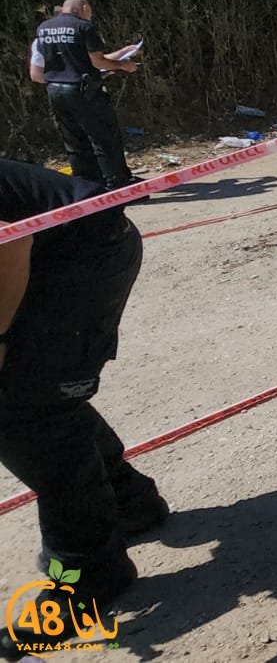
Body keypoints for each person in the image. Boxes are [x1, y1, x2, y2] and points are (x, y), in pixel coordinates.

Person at [0, 158, 169, 658]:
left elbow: (9, 241)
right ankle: (128, 502)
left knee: (25, 408)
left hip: (85, 252)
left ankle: (90, 575)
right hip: (58, 250)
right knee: (44, 394)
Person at [34, 0, 141, 192]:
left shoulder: (44, 28)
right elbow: (97, 61)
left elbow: (64, 60)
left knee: (74, 141)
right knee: (104, 138)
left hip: (55, 90)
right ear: (84, 8)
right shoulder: (84, 27)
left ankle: (87, 186)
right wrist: (123, 65)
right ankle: (118, 185)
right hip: (83, 91)